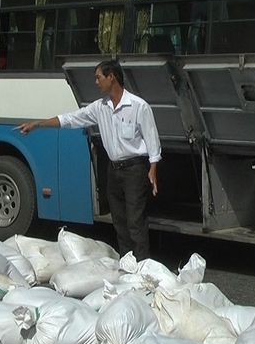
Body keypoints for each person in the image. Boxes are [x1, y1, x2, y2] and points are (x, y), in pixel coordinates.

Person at [15, 59, 161, 259]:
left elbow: (152, 139)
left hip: (135, 170)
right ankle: (128, 264)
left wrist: (152, 168)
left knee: (135, 221)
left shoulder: (138, 106)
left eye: (99, 77)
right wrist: (38, 124)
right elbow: (70, 119)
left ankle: (143, 264)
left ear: (112, 77)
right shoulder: (99, 107)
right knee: (119, 221)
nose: (96, 82)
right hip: (114, 170)